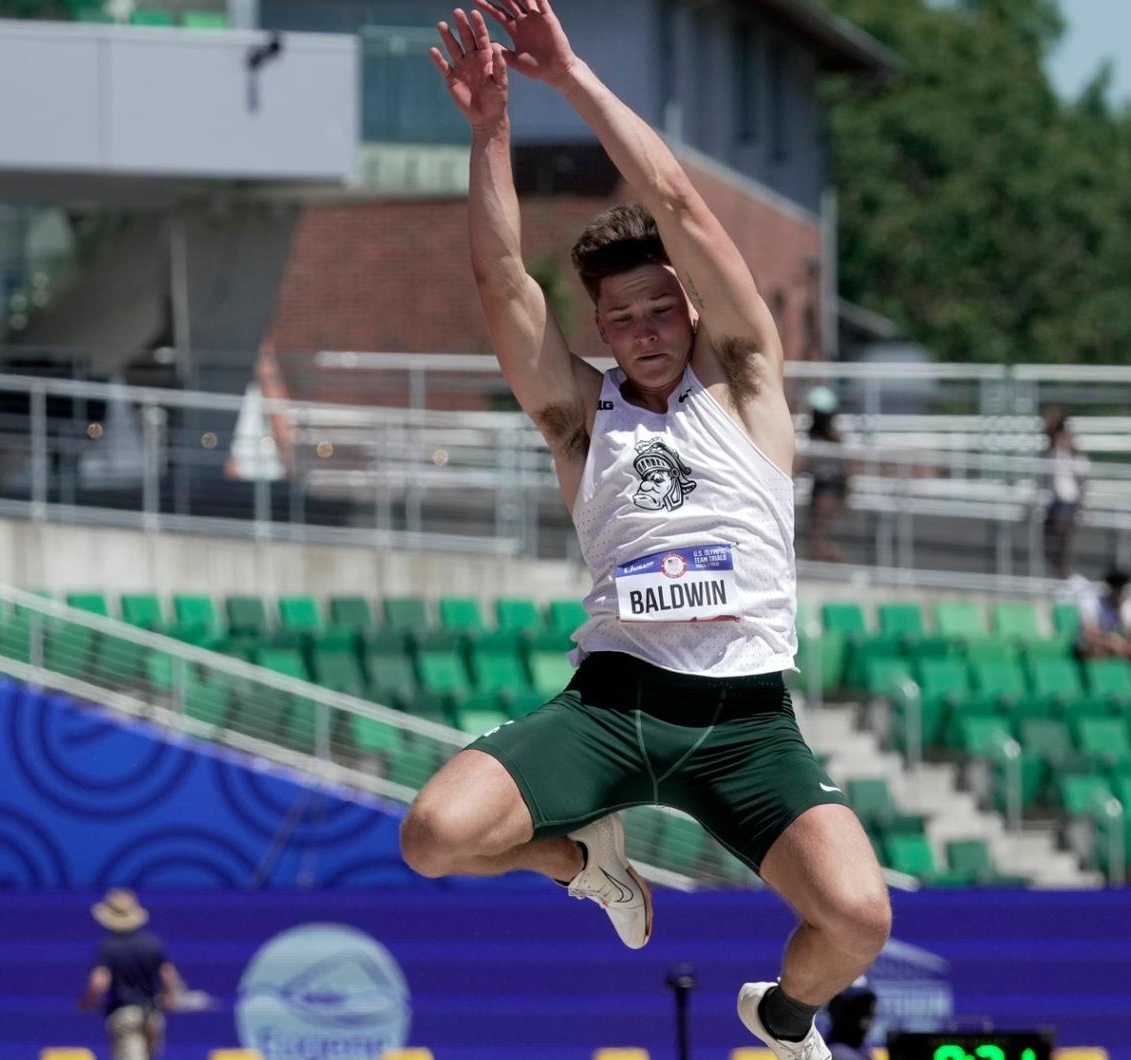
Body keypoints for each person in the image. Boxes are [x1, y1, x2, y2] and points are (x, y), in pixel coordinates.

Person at [404, 6, 891, 1059]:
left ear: (691, 306)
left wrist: (570, 75)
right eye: (620, 319)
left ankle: (781, 1016)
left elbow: (676, 201)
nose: (644, 331)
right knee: (434, 838)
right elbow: (502, 284)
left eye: (660, 310)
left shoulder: (750, 384)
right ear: (602, 330)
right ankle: (582, 862)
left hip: (748, 724)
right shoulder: (585, 417)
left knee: (858, 917)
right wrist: (491, 126)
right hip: (616, 704)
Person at [80, 890, 182, 1060]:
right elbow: (168, 975)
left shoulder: (108, 948)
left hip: (125, 1014)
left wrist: (88, 1001)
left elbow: (99, 982)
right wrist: (170, 999)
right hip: (152, 1014)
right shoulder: (152, 943)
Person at [802, 388, 850, 564]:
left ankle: (832, 562)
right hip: (822, 486)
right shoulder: (817, 435)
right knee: (817, 533)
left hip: (829, 487)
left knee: (819, 534)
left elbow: (847, 467)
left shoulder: (832, 436)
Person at [1043, 417, 1091, 580]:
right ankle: (1060, 569)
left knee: (1062, 538)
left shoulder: (1073, 453)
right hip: (1056, 500)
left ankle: (1062, 570)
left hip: (1068, 500)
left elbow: (1082, 474)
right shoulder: (1051, 452)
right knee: (1052, 539)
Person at [1080, 569, 1131, 661]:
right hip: (1091, 642)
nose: (1120, 593)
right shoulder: (1092, 603)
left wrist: (1120, 611)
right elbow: (1090, 633)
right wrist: (1110, 640)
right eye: (1117, 588)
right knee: (1097, 647)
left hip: (1119, 642)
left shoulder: (1130, 604)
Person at [824, 984, 878, 1060]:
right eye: (857, 1012)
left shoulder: (863, 1048)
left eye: (869, 1014)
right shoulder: (837, 1053)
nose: (865, 1021)